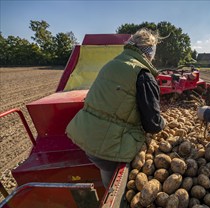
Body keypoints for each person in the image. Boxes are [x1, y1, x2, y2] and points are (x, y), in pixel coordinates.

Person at [66, 28, 165, 187]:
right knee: (115, 182)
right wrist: (163, 122)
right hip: (109, 149)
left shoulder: (111, 64)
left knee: (105, 174)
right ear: (149, 53)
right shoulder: (143, 74)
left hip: (86, 137)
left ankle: (106, 187)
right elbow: (152, 125)